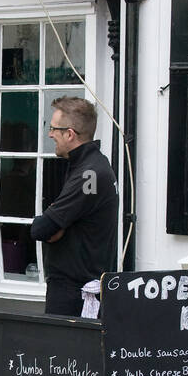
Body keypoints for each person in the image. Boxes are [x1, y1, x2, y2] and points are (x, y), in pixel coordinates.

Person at [31, 96, 119, 316]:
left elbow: (40, 229)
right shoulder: (92, 164)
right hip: (74, 289)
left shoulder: (89, 173)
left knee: (61, 351)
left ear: (69, 134)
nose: (50, 134)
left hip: (74, 295)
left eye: (53, 129)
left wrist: (53, 220)